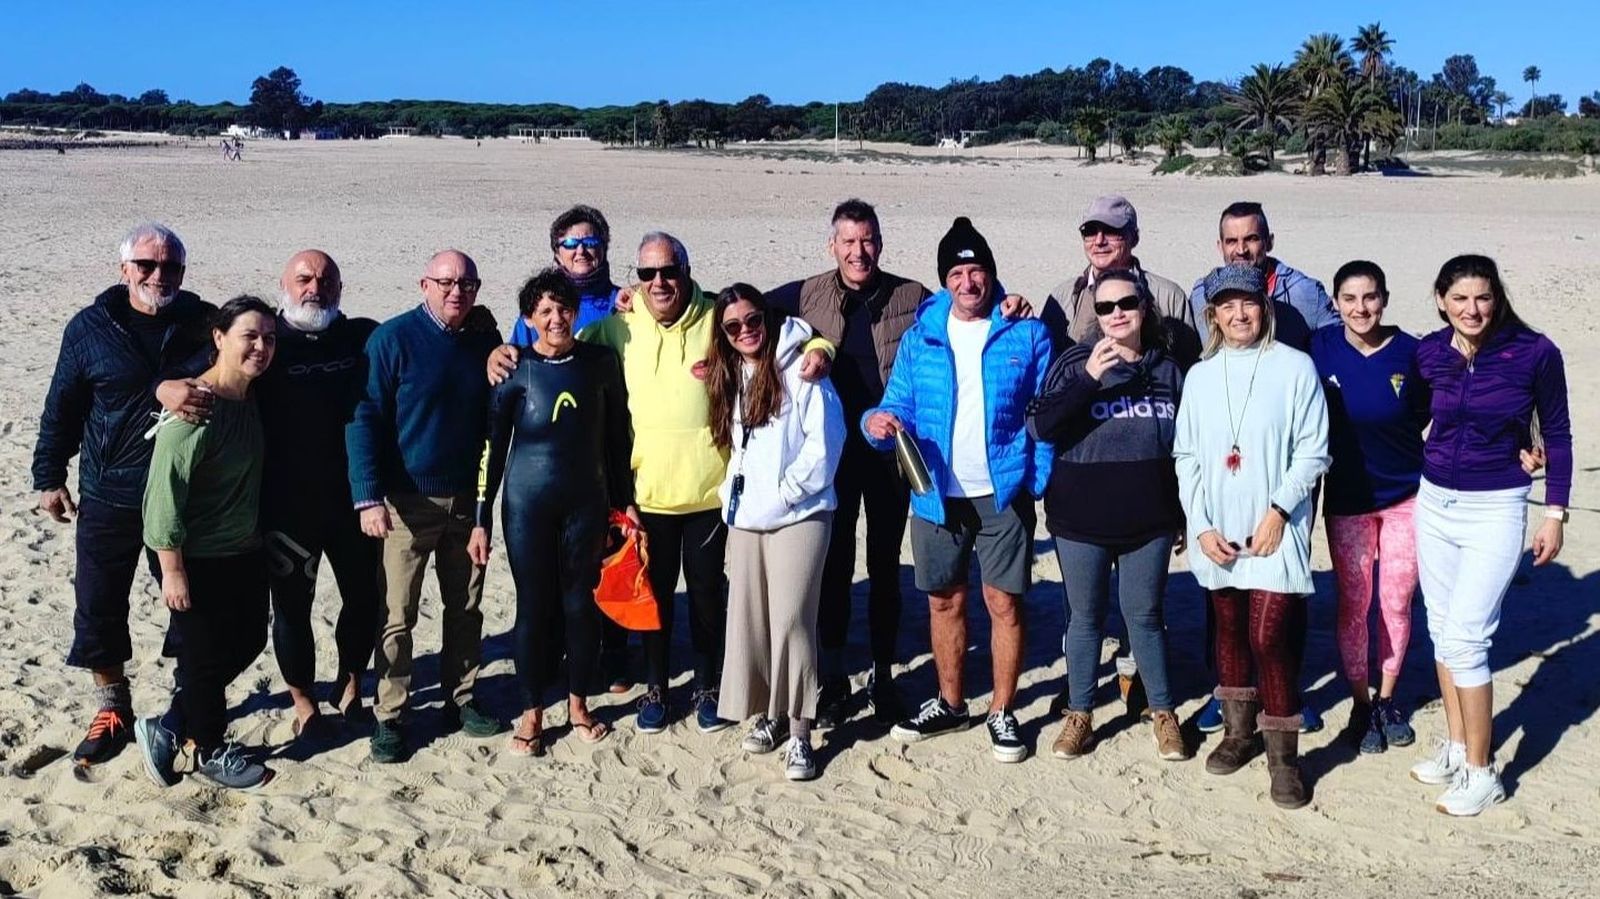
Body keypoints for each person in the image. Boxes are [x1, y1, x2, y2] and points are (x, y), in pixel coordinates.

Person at [488, 232, 833, 734]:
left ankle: (708, 686)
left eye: (668, 271)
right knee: (653, 597)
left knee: (707, 596)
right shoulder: (618, 327)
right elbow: (557, 350)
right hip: (647, 491)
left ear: (686, 271)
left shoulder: (715, 316)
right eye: (647, 273)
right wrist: (502, 352)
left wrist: (819, 344)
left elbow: (778, 327)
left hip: (709, 491)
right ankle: (655, 688)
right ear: (637, 278)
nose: (658, 282)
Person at [863, 217, 1053, 764]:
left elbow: (1044, 412)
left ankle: (1002, 710)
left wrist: (1036, 478)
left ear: (991, 273)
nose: (968, 283)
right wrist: (876, 422)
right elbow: (896, 401)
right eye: (956, 274)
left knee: (1003, 603)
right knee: (944, 601)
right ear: (945, 280)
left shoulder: (1026, 332)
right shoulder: (921, 335)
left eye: (977, 271)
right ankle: (950, 703)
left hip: (1002, 493)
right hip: (934, 493)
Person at [32, 222, 216, 767]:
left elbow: (252, 354)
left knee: (191, 606)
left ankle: (187, 705)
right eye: (146, 265)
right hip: (108, 493)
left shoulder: (202, 323)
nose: (159, 276)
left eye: (171, 267)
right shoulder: (89, 328)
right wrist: (49, 474)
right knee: (98, 606)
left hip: (182, 496)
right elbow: (62, 405)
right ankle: (112, 709)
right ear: (124, 270)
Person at [1408, 255, 1571, 816]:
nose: (1472, 309)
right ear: (1440, 300)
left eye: (1482, 297)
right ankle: (1457, 747)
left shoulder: (1535, 352)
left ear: (1496, 299)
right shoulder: (1430, 352)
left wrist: (1555, 512)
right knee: (1440, 628)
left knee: (1467, 638)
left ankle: (1483, 773)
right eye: (1459, 299)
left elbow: (1558, 432)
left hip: (1495, 507)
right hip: (1434, 503)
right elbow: (1410, 415)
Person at [764, 198, 929, 727]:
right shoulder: (806, 293)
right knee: (833, 565)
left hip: (887, 451)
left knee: (884, 566)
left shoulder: (911, 295)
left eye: (868, 240)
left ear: (880, 243)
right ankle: (833, 676)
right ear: (831, 246)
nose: (859, 252)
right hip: (830, 453)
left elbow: (966, 306)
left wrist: (1009, 302)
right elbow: (739, 308)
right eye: (849, 242)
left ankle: (883, 674)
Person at [1173, 264, 1329, 809]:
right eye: (1227, 305)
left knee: (1268, 637)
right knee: (1230, 631)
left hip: (1274, 529)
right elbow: (1186, 456)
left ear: (1265, 308)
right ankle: (1239, 734)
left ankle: (1284, 759)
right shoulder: (1201, 375)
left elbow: (1313, 450)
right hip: (1217, 529)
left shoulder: (1295, 367)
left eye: (1249, 303)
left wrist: (1279, 511)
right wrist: (1200, 526)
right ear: (1213, 315)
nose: (1239, 314)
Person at [348, 250, 506, 763]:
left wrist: (482, 509)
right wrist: (368, 497)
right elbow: (364, 417)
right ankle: (391, 715)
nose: (456, 291)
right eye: (445, 282)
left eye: (466, 284)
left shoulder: (483, 342)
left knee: (466, 606)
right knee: (397, 614)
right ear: (424, 285)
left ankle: (461, 698)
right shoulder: (392, 339)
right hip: (405, 503)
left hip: (465, 502)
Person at [469, 269, 636, 756]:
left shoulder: (600, 363)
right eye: (544, 311)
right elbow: (491, 449)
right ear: (528, 319)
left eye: (563, 309)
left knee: (581, 604)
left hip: (587, 502)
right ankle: (532, 711)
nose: (556, 318)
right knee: (534, 606)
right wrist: (480, 518)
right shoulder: (514, 369)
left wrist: (624, 502)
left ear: (576, 312)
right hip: (528, 505)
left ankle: (578, 704)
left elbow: (616, 439)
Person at [1027, 270, 1189, 762]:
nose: (1117, 313)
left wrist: (1183, 513)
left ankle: (1163, 712)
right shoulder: (1074, 362)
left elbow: (1186, 447)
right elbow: (1040, 425)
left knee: (1145, 616)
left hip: (1150, 520)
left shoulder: (1168, 370)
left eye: (1126, 303)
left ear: (1144, 307)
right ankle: (1080, 713)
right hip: (1081, 519)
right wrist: (1088, 378)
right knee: (1085, 618)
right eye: (1105, 306)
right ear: (1095, 315)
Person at [132, 296, 278, 791]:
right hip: (191, 556)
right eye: (249, 336)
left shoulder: (251, 396)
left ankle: (171, 724)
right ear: (219, 338)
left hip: (243, 548)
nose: (260, 347)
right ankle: (210, 750)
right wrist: (172, 570)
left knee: (248, 640)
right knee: (203, 656)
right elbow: (163, 496)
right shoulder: (194, 407)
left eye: (269, 338)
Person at [709, 284, 845, 781]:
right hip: (746, 518)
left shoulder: (803, 368)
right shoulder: (729, 373)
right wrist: (732, 495)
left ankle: (801, 733)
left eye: (753, 320)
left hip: (800, 515)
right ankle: (770, 715)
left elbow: (826, 441)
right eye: (733, 326)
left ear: (768, 318)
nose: (745, 331)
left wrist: (787, 492)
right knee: (755, 620)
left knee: (792, 621)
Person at [1309, 261, 1426, 755]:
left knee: (1396, 601)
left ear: (1385, 299)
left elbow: (1430, 411)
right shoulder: (1319, 348)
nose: (1361, 308)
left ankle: (1388, 699)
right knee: (1354, 602)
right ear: (1336, 303)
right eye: (1350, 299)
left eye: (1370, 297)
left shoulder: (1411, 352)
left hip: (1406, 496)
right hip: (1347, 499)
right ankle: (1361, 701)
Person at [1041, 195, 1201, 368]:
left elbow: (1187, 367)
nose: (1099, 241)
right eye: (1090, 231)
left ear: (1134, 238)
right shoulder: (1062, 298)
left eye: (1111, 231)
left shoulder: (1168, 297)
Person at [1186, 202, 1340, 353]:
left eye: (1251, 239)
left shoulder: (1304, 293)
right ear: (1220, 247)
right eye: (1232, 241)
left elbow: (1341, 348)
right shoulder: (1202, 295)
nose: (1241, 250)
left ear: (1269, 242)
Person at [508, 205, 626, 347]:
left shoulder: (624, 302)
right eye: (571, 244)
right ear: (557, 254)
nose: (581, 251)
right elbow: (514, 354)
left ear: (604, 248)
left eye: (590, 242)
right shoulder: (539, 307)